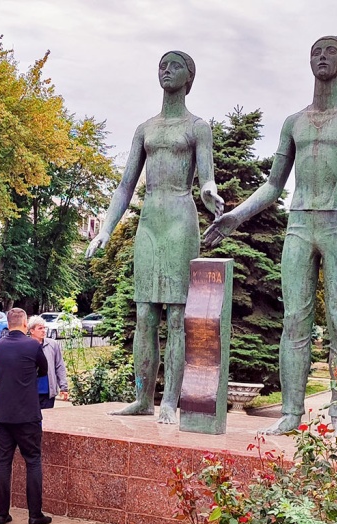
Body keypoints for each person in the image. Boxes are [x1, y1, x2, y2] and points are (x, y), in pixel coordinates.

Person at [204, 36, 337, 434]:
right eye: (315, 52)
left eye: (331, 51)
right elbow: (273, 185)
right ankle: (290, 414)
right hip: (300, 225)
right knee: (294, 321)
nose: (322, 57)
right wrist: (236, 216)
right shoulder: (294, 122)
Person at [84, 51, 224, 424]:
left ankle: (169, 402)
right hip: (149, 224)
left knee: (177, 316)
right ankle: (142, 398)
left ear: (189, 77)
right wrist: (106, 229)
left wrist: (209, 191)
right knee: (145, 314)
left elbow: (206, 177)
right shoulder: (145, 129)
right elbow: (124, 186)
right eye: (162, 65)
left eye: (175, 65)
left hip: (180, 220)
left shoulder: (198, 127)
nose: (166, 70)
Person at [0, 308, 50, 524]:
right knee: (33, 461)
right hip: (27, 414)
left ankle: (2, 514)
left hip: (3, 413)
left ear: (8, 324)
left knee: (3, 462)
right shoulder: (32, 345)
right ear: (25, 324)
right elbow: (43, 370)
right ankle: (35, 515)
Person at [27, 315, 68, 409]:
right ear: (32, 331)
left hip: (48, 392)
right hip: (30, 392)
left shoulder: (52, 344)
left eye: (44, 328)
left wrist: (63, 387)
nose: (43, 330)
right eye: (40, 328)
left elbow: (59, 366)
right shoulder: (26, 346)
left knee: (48, 417)